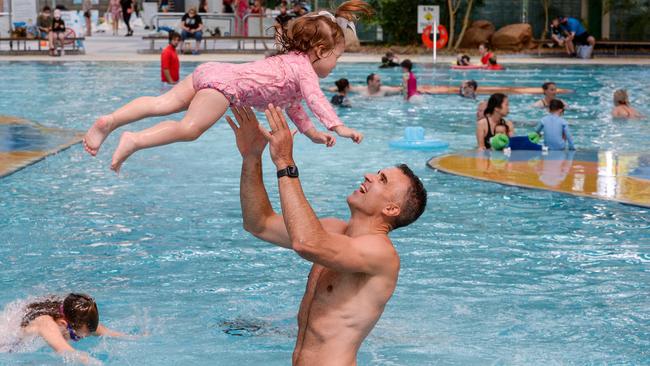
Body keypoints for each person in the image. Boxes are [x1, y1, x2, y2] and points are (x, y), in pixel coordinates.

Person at [227, 104, 427, 366]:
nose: (368, 176)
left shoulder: (381, 255)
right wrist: (252, 156)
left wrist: (285, 162)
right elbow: (259, 223)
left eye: (382, 180)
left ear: (391, 209)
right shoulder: (333, 230)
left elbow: (306, 242)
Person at [83, 1, 371, 173]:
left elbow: (296, 106)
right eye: (338, 57)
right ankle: (135, 139)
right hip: (224, 88)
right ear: (321, 51)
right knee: (189, 129)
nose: (336, 64)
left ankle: (109, 121)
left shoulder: (290, 64)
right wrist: (338, 127)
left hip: (213, 71)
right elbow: (315, 99)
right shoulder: (303, 69)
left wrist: (312, 134)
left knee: (162, 103)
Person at [17, 293, 124, 364]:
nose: (77, 339)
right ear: (63, 324)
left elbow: (104, 332)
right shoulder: (45, 323)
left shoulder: (72, 317)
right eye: (76, 337)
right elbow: (65, 350)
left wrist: (137, 337)